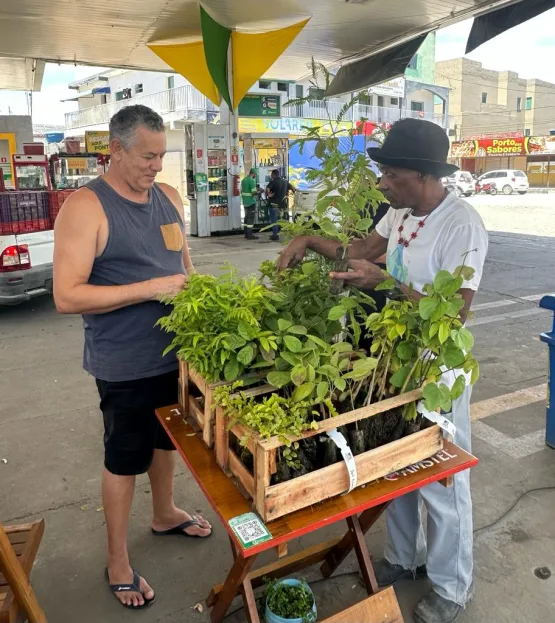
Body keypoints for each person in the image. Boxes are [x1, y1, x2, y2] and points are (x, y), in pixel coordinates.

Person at [278, 118, 489, 623]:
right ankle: (403, 557)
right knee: (394, 464)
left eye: (391, 174)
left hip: (435, 370)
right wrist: (308, 240)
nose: (382, 183)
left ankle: (451, 586)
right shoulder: (400, 215)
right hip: (392, 365)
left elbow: (451, 316)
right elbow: (360, 252)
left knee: (440, 480)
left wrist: (388, 284)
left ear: (422, 176)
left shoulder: (462, 225)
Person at [53, 105, 212, 610]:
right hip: (123, 361)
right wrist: (151, 289)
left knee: (169, 441)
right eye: (146, 156)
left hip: (177, 354)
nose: (156, 166)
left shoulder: (167, 198)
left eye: (161, 155)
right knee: (124, 458)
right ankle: (117, 560)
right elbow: (66, 296)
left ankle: (163, 512)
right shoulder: (86, 208)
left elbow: (183, 264)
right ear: (115, 150)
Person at [266, 169, 296, 242]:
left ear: (273, 175)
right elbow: (294, 189)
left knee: (274, 220)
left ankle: (275, 235)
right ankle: (282, 234)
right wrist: (291, 194)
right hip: (283, 205)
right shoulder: (285, 182)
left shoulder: (272, 181)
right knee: (281, 220)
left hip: (274, 205)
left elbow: (267, 189)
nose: (271, 176)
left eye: (271, 175)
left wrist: (268, 195)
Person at [241, 168, 259, 240]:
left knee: (246, 217)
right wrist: (260, 191)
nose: (255, 176)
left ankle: (246, 233)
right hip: (251, 202)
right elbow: (253, 193)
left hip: (245, 201)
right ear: (253, 174)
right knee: (250, 218)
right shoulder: (251, 181)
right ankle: (249, 234)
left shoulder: (243, 180)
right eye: (255, 174)